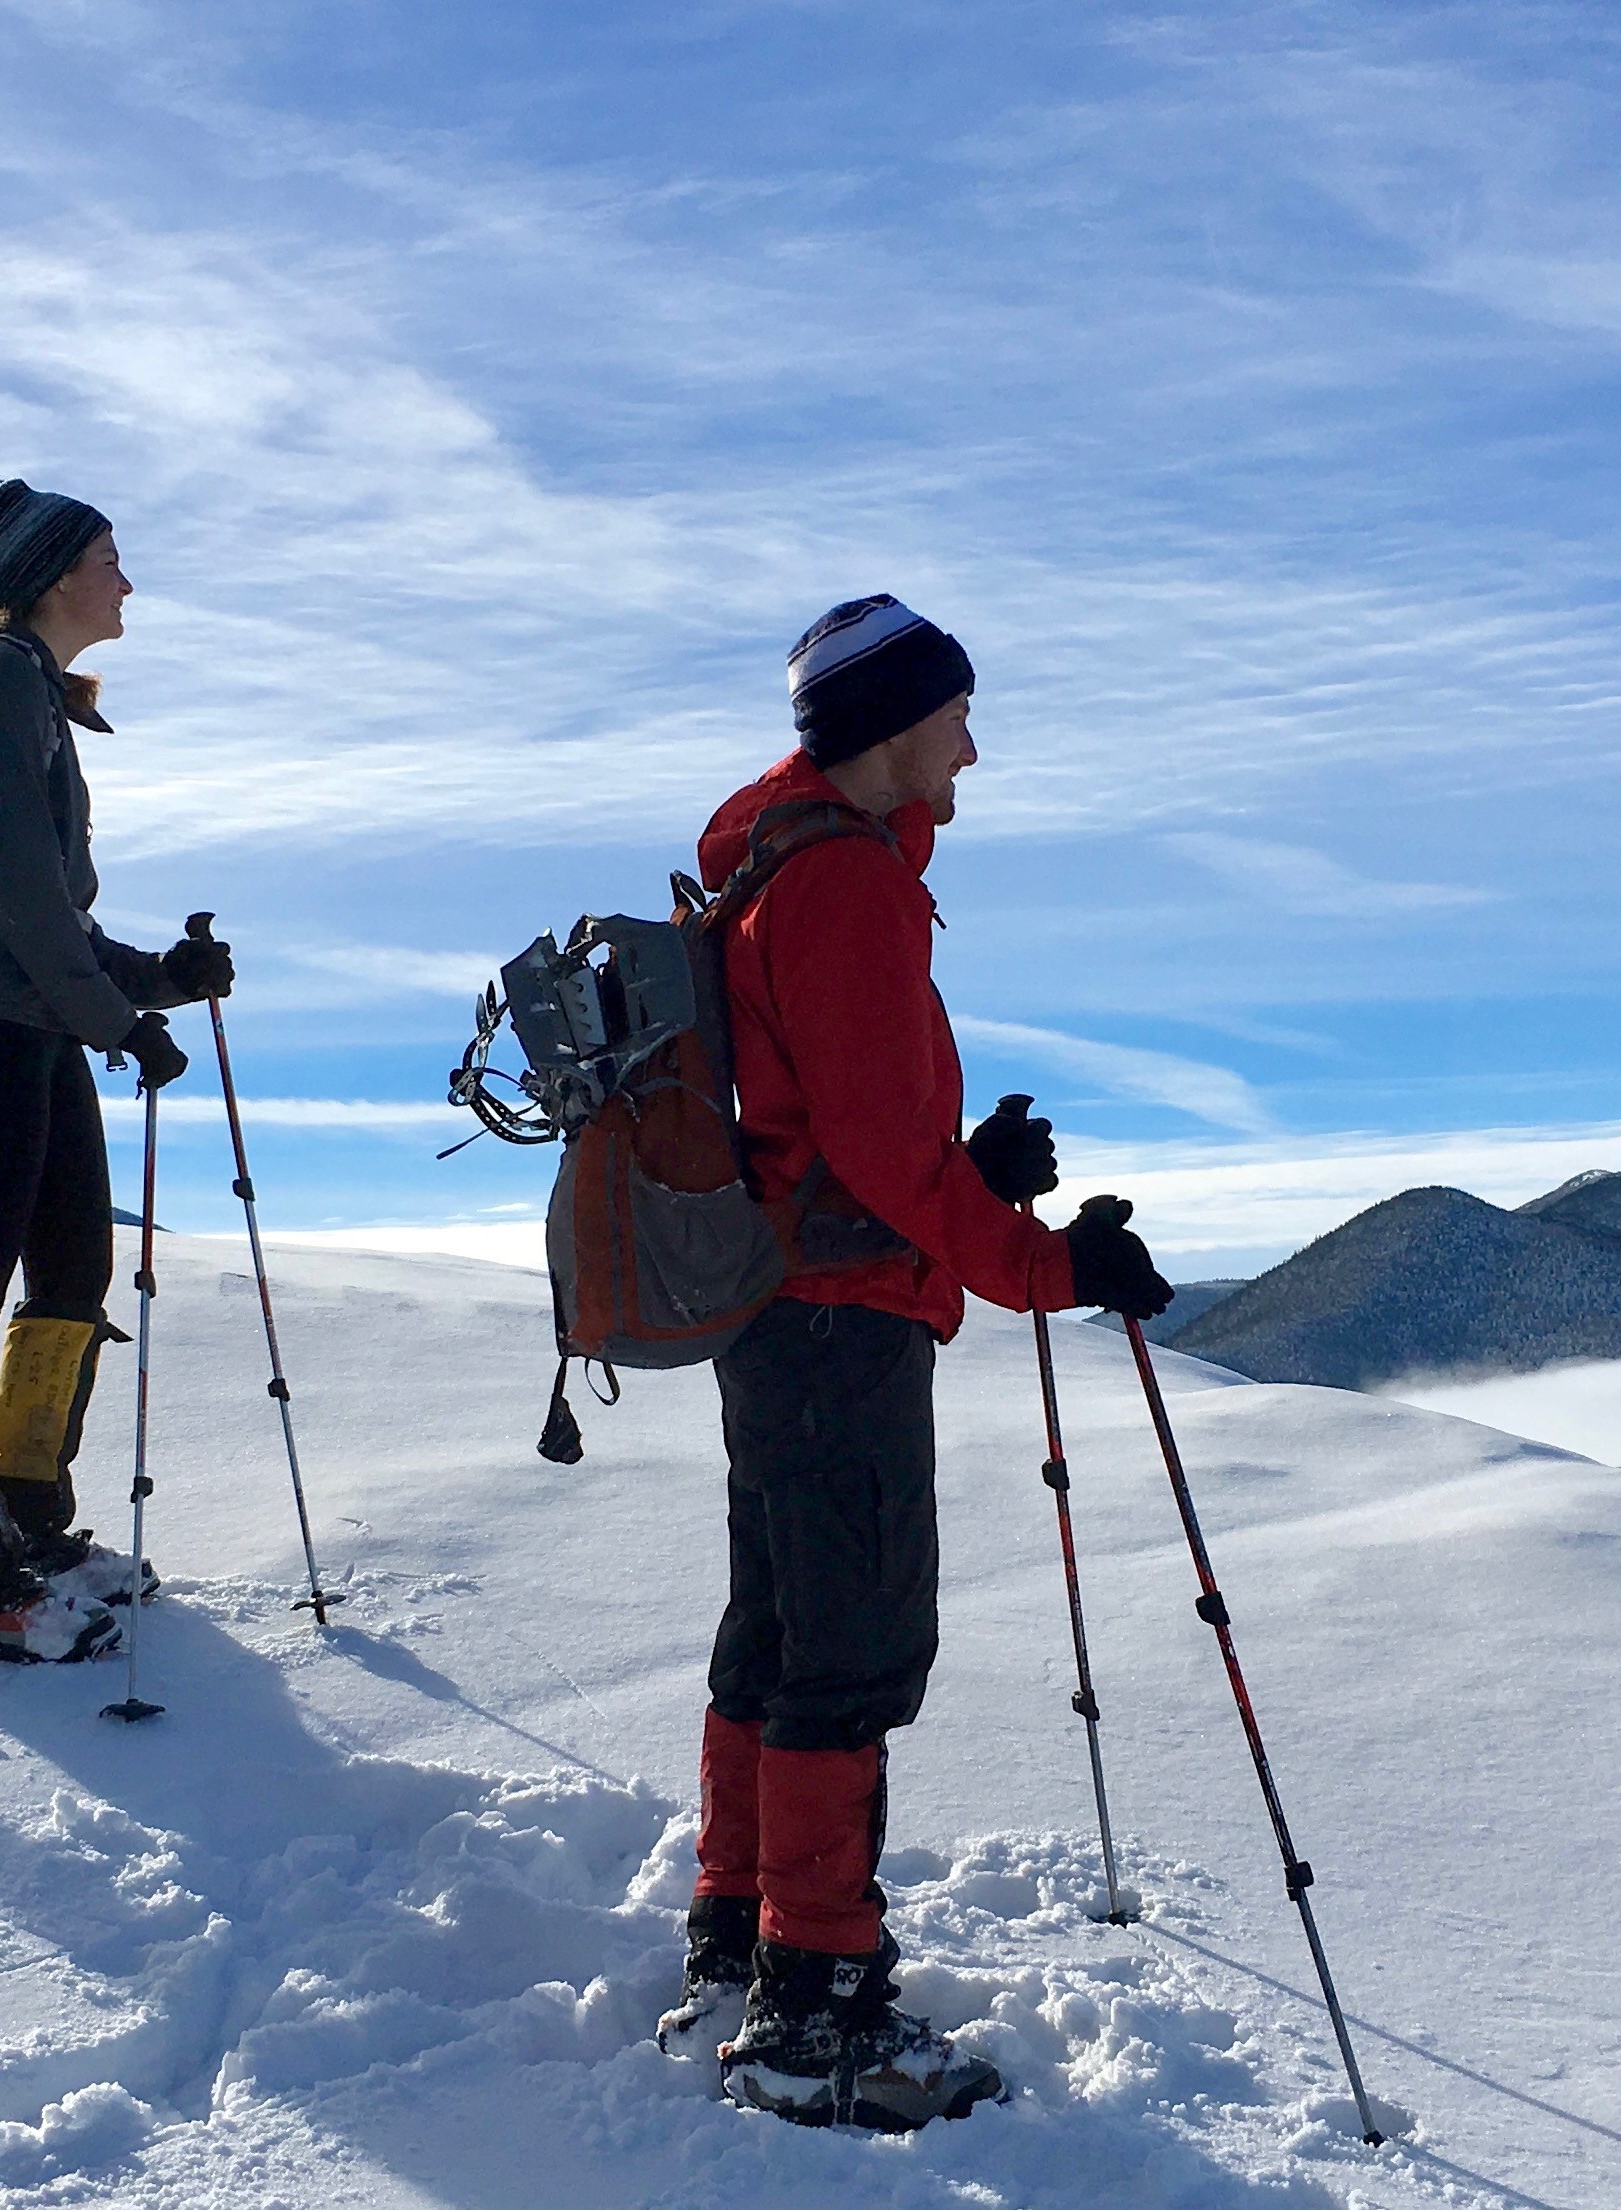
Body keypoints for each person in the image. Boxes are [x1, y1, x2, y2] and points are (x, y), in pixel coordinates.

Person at [669, 594, 1174, 2130]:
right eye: (958, 712)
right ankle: (814, 2011)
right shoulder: (840, 883)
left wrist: (972, 1163)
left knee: (782, 1624)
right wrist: (1048, 1263)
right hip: (839, 1315)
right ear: (895, 726)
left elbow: (842, 1125)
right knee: (852, 1644)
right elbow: (882, 1155)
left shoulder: (782, 865)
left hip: (784, 1307)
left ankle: (745, 1930)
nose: (975, 741)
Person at [0, 479, 235, 1658]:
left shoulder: (26, 687)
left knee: (73, 1263)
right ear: (49, 577)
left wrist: (158, 979)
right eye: (109, 558)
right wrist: (117, 1020)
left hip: (27, 1015)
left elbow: (46, 905)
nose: (126, 580)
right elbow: (22, 894)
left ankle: (28, 1509)